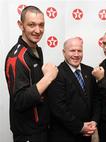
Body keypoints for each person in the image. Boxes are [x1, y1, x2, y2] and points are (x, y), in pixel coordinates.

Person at [4, 6, 58, 142]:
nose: (38, 30)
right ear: (20, 25)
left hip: (42, 130)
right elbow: (20, 100)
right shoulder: (16, 58)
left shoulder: (36, 50)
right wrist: (48, 78)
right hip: (28, 134)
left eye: (41, 25)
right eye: (31, 25)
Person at [48, 37, 100, 142]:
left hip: (87, 134)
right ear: (64, 52)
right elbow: (58, 108)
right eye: (72, 50)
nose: (76, 54)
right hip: (65, 135)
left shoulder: (90, 71)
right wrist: (80, 127)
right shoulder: (57, 73)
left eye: (79, 51)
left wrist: (94, 121)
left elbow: (96, 99)